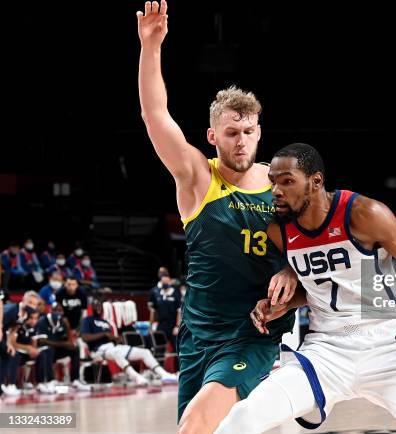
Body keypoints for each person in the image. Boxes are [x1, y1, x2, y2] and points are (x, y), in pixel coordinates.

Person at [216, 143, 396, 434]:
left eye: (287, 181)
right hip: (327, 350)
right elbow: (315, 286)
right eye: (273, 182)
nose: (276, 190)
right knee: (243, 418)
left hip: (390, 346)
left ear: (315, 182)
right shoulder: (279, 230)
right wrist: (282, 304)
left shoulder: (365, 214)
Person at [136, 1, 297, 431]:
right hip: (197, 333)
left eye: (248, 132)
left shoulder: (284, 186)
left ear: (259, 132)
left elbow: (319, 246)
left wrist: (293, 275)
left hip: (253, 332)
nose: (241, 141)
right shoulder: (196, 177)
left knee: (196, 425)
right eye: (231, 133)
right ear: (213, 136)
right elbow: (156, 115)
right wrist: (150, 46)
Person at [80, 297, 177, 386]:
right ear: (91, 307)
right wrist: (104, 334)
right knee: (116, 352)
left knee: (145, 352)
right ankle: (136, 377)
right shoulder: (87, 320)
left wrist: (116, 339)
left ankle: (164, 374)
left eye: (100, 305)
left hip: (112, 347)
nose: (98, 307)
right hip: (97, 350)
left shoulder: (106, 322)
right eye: (96, 305)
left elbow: (111, 339)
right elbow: (85, 337)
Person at [0, 291, 42, 396]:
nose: (32, 305)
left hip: (3, 335)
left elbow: (14, 328)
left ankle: (5, 386)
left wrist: (9, 343)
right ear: (23, 301)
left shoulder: (27, 315)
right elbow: (2, 325)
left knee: (9, 353)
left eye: (34, 304)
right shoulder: (11, 311)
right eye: (30, 302)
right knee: (6, 353)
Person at [149, 273, 181, 352]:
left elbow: (179, 311)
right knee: (159, 348)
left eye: (166, 282)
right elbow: (153, 311)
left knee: (176, 350)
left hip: (172, 325)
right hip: (161, 325)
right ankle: (160, 364)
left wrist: (177, 326)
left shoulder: (176, 293)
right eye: (163, 283)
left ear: (170, 282)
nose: (165, 284)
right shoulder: (157, 293)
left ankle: (177, 364)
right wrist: (151, 324)